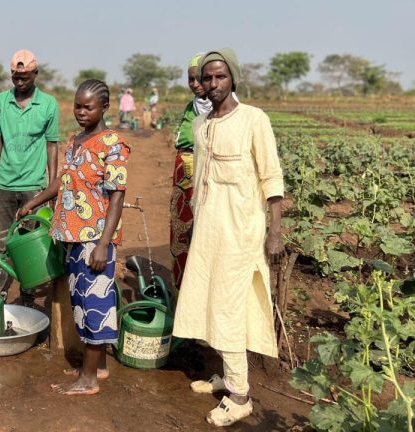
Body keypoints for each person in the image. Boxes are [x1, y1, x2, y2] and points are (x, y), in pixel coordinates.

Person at [172, 48, 286, 427]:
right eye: (207, 78)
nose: (213, 83)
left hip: (241, 232)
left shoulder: (254, 119)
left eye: (220, 76)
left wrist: (274, 232)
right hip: (209, 231)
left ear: (233, 78)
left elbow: (271, 177)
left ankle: (240, 397)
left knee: (228, 308)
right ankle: (227, 376)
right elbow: (201, 178)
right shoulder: (201, 125)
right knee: (209, 300)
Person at [18, 79, 130, 396]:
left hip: (95, 238)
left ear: (104, 107)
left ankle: (88, 379)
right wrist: (34, 201)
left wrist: (104, 244)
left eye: (88, 107)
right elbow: (63, 180)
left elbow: (117, 197)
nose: (81, 112)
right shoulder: (75, 141)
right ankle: (97, 367)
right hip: (72, 235)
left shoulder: (113, 144)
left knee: (95, 303)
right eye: (77, 106)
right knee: (81, 301)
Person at [0, 49, 60, 303]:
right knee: (1, 243)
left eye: (24, 77)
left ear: (35, 74)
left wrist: (51, 187)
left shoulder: (48, 104)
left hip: (34, 186)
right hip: (5, 183)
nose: (20, 81)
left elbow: (52, 145)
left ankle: (28, 294)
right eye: (15, 77)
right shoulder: (1, 101)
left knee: (30, 241)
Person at [169, 53, 209, 291]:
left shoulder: (224, 110)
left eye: (200, 78)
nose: (194, 84)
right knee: (182, 230)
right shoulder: (191, 107)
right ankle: (181, 291)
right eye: (190, 79)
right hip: (183, 178)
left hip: (205, 177)